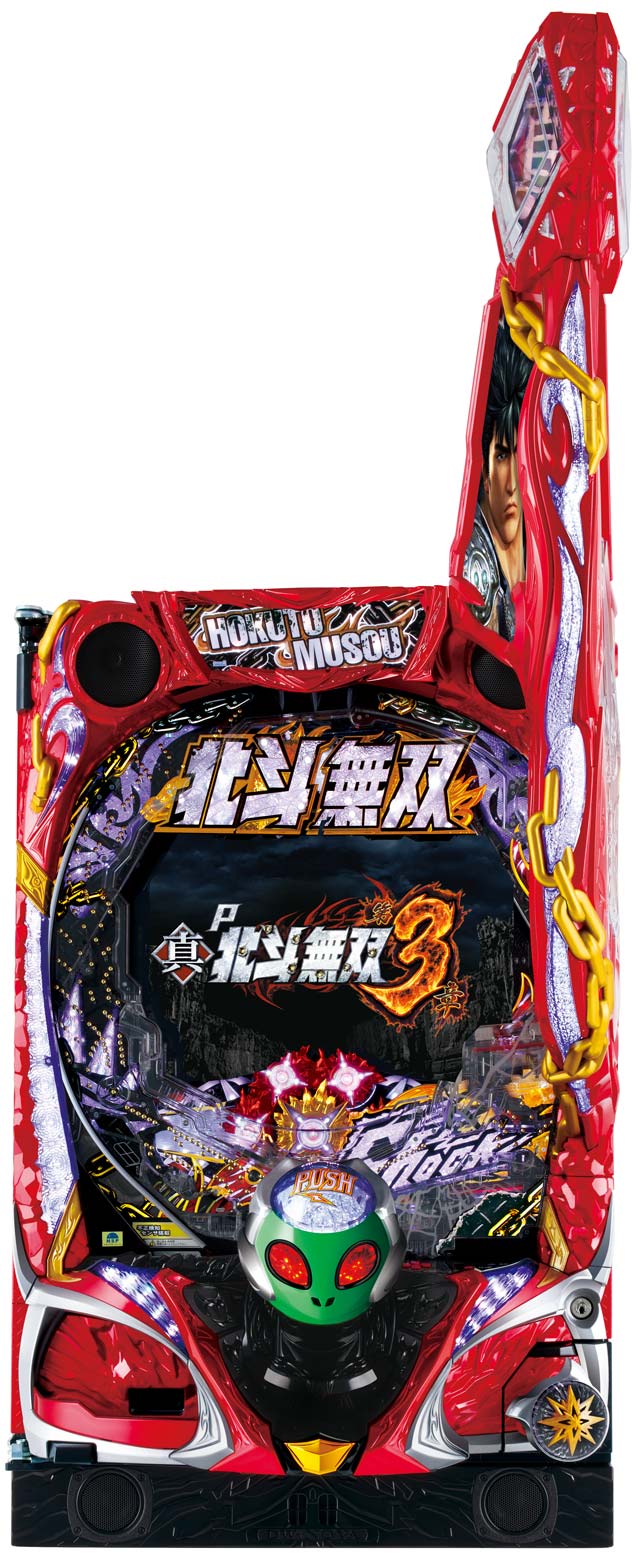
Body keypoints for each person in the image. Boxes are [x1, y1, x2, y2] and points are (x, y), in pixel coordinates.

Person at [463, 317, 532, 640]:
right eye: (502, 456)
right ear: (485, 471)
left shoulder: (538, 536)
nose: (512, 484)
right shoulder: (478, 562)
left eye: (521, 455)